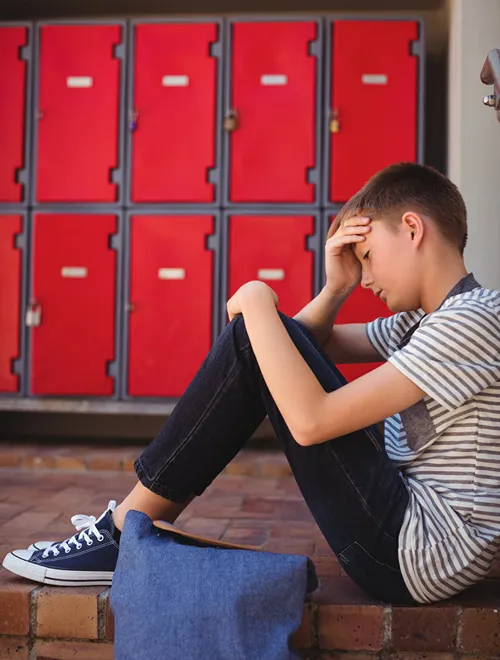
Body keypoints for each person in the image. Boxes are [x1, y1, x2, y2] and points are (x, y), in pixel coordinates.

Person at [3, 162, 500, 605]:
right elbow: (301, 344)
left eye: (366, 256)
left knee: (252, 333)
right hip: (407, 527)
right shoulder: (427, 320)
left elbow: (311, 422)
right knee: (259, 339)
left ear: (412, 229)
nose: (365, 276)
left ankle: (120, 533)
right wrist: (336, 287)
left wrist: (259, 299)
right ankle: (127, 529)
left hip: (416, 554)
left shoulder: (472, 320)